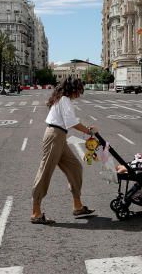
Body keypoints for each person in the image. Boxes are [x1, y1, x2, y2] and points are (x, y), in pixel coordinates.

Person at [31, 77, 97, 224]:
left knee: (75, 167)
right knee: (45, 171)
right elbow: (71, 122)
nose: (79, 95)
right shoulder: (64, 99)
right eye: (79, 91)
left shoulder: (61, 99)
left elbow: (68, 121)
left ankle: (78, 206)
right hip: (55, 136)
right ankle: (36, 212)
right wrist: (88, 131)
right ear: (72, 90)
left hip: (59, 136)